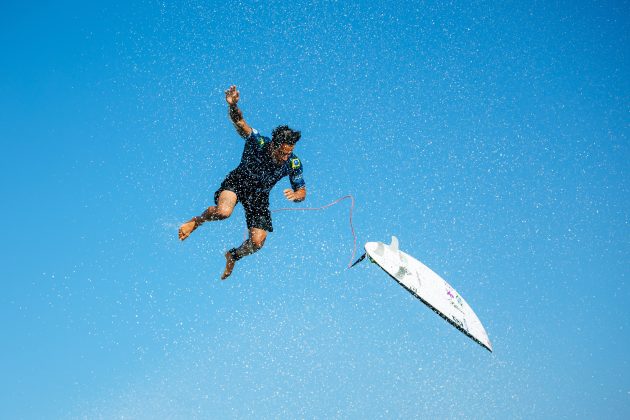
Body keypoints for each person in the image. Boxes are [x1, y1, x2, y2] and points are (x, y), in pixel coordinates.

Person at [178, 85, 307, 279]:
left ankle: (233, 256)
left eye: (288, 152)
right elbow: (240, 122)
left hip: (259, 196)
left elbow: (302, 190)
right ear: (274, 144)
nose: (285, 157)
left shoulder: (293, 162)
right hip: (238, 182)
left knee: (257, 243)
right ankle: (197, 221)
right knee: (223, 212)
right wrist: (233, 106)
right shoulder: (259, 143)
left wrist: (297, 195)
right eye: (282, 152)